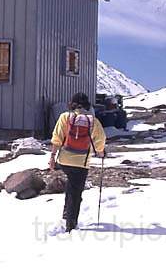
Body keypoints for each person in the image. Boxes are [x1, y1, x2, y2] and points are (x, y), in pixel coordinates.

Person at [48, 92, 106, 233]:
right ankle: (71, 225)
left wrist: (52, 157)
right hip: (81, 162)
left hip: (64, 160)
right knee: (75, 192)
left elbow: (57, 138)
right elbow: (100, 141)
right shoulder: (93, 121)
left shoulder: (65, 117)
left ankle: (66, 215)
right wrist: (101, 152)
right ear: (87, 105)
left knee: (71, 186)